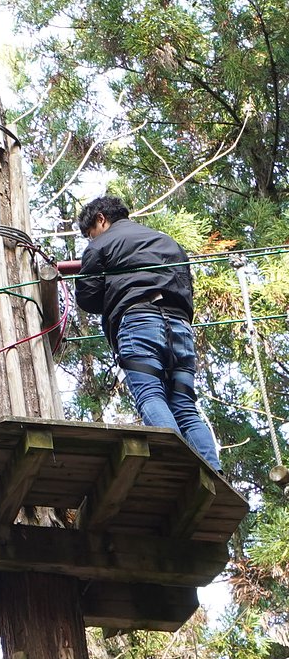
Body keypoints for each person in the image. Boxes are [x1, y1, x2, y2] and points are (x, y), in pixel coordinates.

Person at [74, 195, 219, 470]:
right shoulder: (168, 241)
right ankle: (213, 470)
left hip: (139, 321)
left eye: (89, 234)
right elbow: (187, 285)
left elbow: (88, 298)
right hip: (180, 325)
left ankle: (175, 467)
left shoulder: (101, 245)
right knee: (185, 406)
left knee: (150, 394)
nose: (91, 240)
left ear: (100, 220)